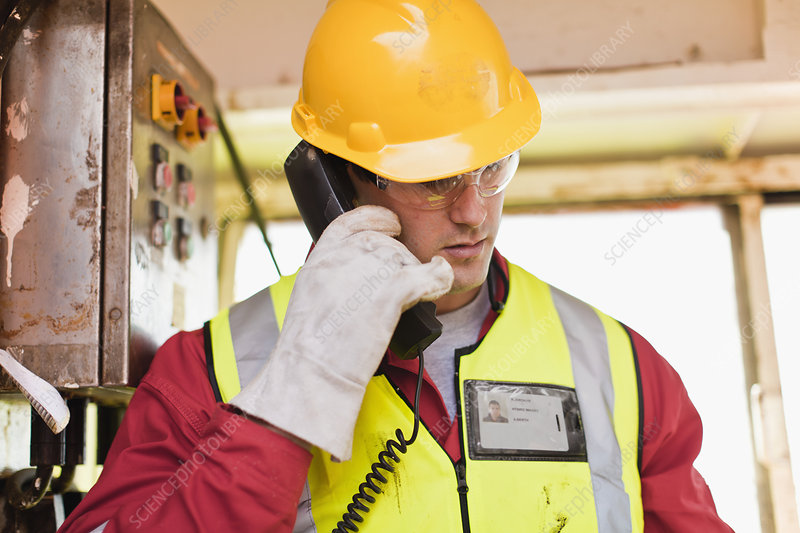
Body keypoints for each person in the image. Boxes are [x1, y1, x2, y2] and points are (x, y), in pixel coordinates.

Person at [60, 1, 734, 531]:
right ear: (337, 180)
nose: (474, 212)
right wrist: (284, 408)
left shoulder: (624, 369)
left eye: (492, 166)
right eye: (433, 179)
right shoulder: (208, 372)